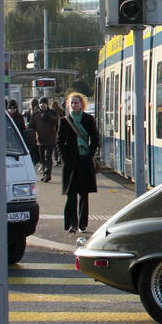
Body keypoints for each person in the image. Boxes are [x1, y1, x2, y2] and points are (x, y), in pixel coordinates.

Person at [57, 91, 98, 238]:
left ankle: (82, 224)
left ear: (82, 104)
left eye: (77, 102)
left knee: (84, 194)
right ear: (69, 105)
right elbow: (59, 142)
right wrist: (64, 158)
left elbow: (95, 139)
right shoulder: (65, 120)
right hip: (70, 162)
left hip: (84, 160)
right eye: (72, 103)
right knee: (71, 194)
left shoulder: (88, 119)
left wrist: (89, 155)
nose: (74, 105)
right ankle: (72, 224)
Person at [32, 98, 58, 181]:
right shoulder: (35, 115)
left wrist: (47, 116)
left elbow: (55, 122)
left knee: (48, 157)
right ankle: (44, 174)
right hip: (40, 140)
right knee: (42, 159)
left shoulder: (52, 113)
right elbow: (32, 126)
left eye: (43, 103)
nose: (41, 105)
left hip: (50, 140)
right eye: (40, 103)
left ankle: (47, 175)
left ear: (47, 104)